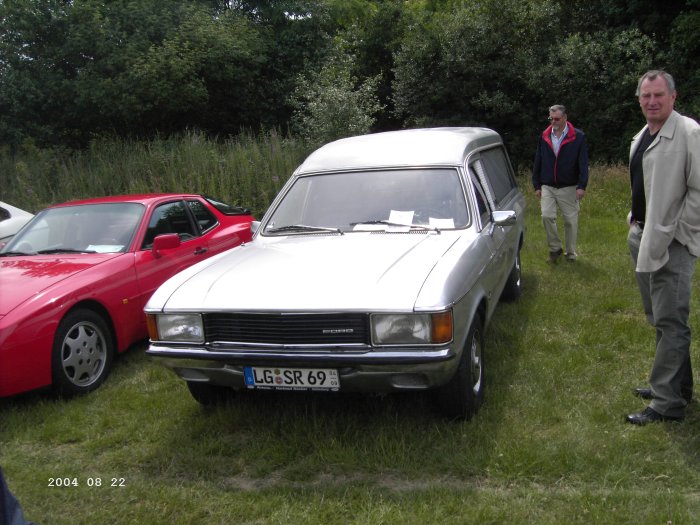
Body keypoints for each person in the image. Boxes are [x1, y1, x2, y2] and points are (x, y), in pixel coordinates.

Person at [626, 70, 700, 425]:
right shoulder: (641, 135)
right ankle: (679, 386)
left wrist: (680, 233)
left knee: (671, 321)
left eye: (658, 95)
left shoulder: (688, 133)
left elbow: (699, 191)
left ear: (673, 97)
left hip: (672, 243)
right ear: (639, 99)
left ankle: (667, 402)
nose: (652, 101)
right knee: (660, 318)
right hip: (643, 237)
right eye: (646, 96)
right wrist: (634, 219)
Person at [532, 105, 589, 262]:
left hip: (569, 185)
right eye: (551, 118)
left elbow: (583, 163)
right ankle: (555, 248)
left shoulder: (578, 136)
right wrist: (536, 184)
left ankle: (571, 253)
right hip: (547, 185)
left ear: (565, 118)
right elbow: (539, 159)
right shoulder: (544, 136)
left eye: (557, 119)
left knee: (571, 221)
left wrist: (581, 186)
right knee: (546, 216)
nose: (553, 122)